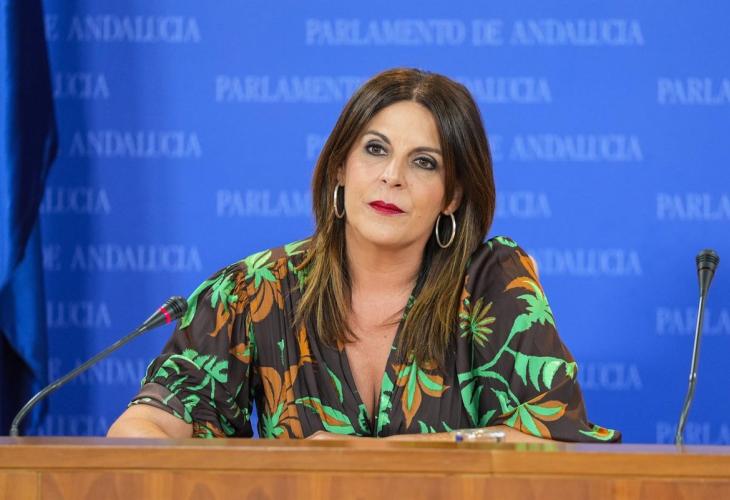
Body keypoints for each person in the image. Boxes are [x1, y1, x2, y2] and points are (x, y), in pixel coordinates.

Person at [108, 68, 619, 443]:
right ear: (339, 168)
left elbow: (553, 437)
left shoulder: (491, 285)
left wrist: (377, 455)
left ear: (452, 196)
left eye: (424, 162)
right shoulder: (256, 291)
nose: (391, 176)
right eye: (375, 150)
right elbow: (147, 424)